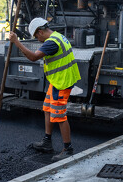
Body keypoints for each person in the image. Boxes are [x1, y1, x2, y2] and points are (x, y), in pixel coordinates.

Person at [9, 17, 81, 161]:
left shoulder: (51, 43)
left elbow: (34, 57)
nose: (38, 39)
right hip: (56, 81)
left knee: (59, 115)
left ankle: (68, 149)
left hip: (61, 82)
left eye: (36, 36)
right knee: (47, 108)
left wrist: (16, 42)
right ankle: (47, 142)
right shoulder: (58, 36)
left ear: (40, 32)